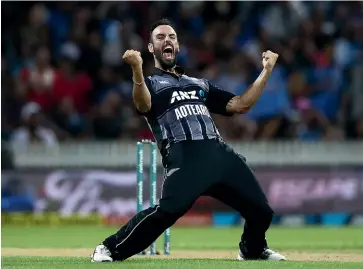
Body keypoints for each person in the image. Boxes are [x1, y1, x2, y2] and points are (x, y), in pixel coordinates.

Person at [91, 18, 286, 262]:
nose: (167, 40)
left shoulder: (198, 83)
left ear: (178, 45)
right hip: (185, 156)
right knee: (167, 212)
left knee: (262, 212)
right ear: (151, 48)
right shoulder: (151, 84)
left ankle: (252, 250)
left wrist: (266, 71)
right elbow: (143, 105)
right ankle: (109, 248)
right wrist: (137, 70)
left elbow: (240, 104)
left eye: (171, 37)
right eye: (160, 37)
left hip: (219, 154)